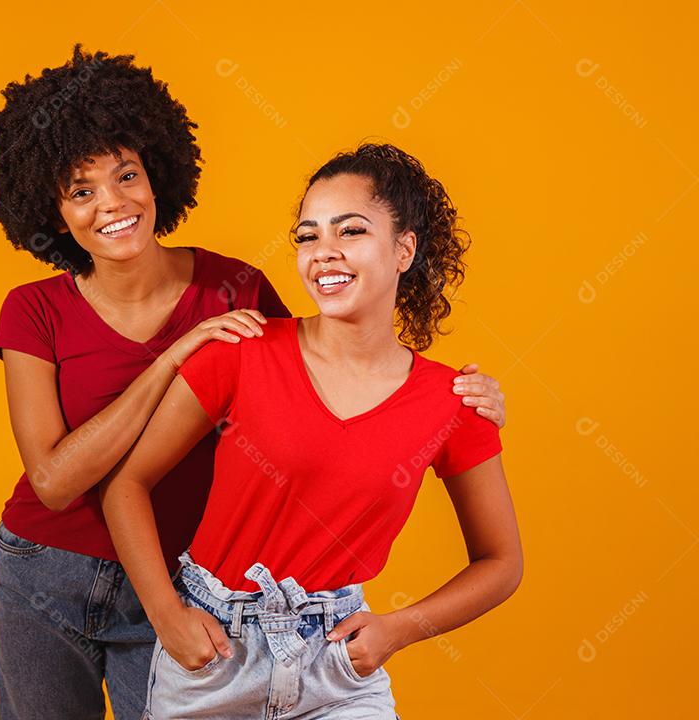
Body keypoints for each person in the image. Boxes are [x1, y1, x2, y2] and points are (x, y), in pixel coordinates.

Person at [0, 45, 508, 719]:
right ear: (53, 211)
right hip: (42, 574)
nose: (111, 204)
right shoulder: (34, 310)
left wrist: (458, 403)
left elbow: (325, 376)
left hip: (181, 580)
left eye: (126, 176)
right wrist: (172, 360)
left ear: (156, 175)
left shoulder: (234, 288)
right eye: (81, 191)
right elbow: (55, 482)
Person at [99, 143, 523, 719]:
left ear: (404, 249)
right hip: (213, 660)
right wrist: (166, 616)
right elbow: (127, 485)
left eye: (350, 232)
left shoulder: (453, 402)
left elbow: (501, 562)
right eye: (307, 236)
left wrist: (397, 630)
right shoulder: (242, 352)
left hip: (337, 666)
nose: (324, 253)